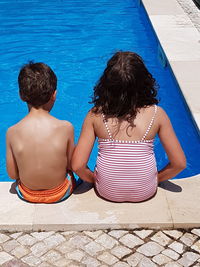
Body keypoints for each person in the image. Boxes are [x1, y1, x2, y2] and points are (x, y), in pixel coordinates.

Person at [72, 51, 186, 202]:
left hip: (107, 191)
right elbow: (179, 163)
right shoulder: (157, 115)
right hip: (146, 191)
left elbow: (78, 166)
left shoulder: (95, 115)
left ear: (106, 84)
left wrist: (95, 180)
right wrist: (156, 178)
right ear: (144, 82)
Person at [6, 62, 81, 203]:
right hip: (60, 193)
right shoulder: (66, 127)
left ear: (21, 95)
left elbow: (12, 174)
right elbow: (72, 165)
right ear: (54, 95)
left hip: (26, 194)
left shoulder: (12, 131)